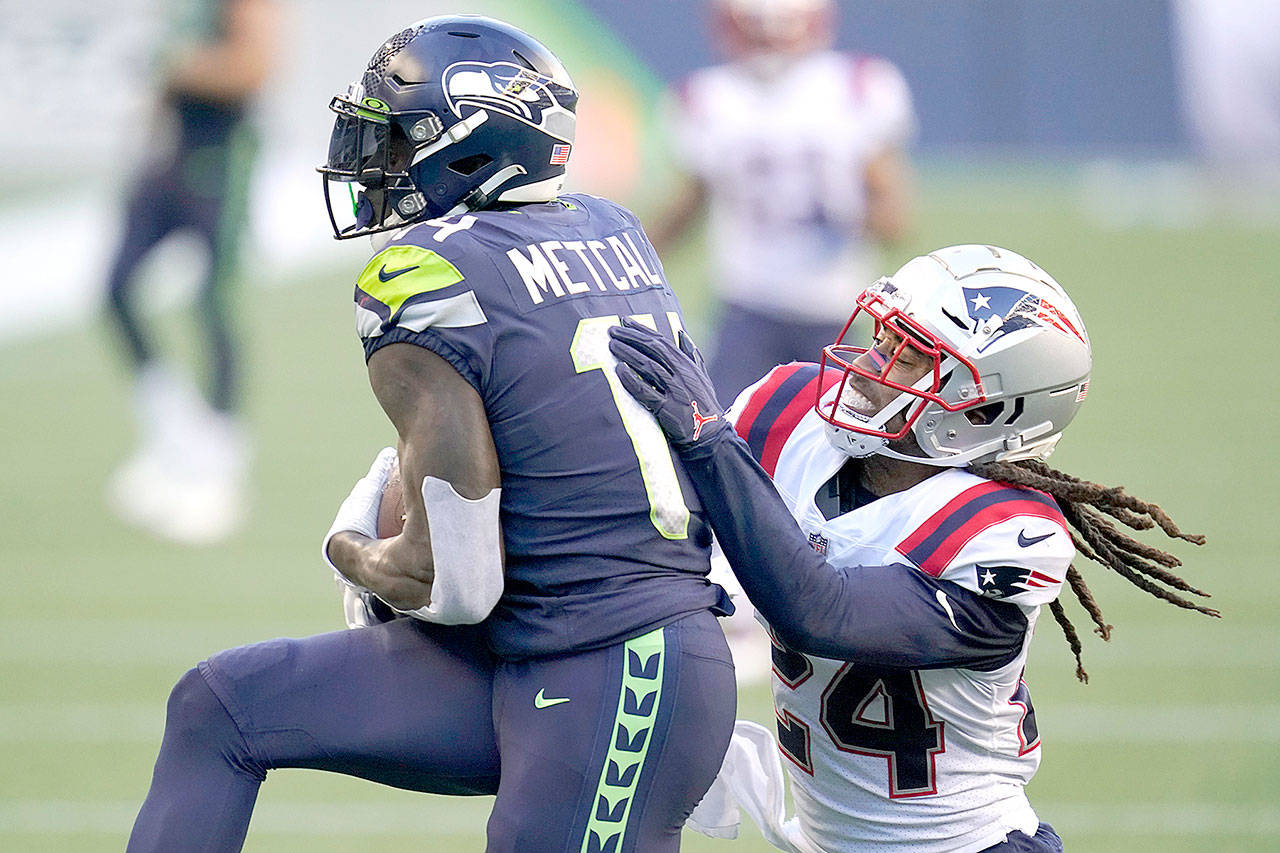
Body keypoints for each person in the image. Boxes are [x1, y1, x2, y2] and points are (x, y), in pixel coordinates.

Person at [126, 16, 738, 852]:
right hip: (545, 643)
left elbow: (456, 583)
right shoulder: (610, 225)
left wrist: (353, 548)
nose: (374, 161)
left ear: (469, 146)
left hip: (617, 663)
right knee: (221, 704)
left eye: (396, 137)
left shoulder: (425, 277)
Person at [607, 245, 1217, 852]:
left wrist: (710, 443)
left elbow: (820, 613)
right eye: (885, 337)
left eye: (911, 357)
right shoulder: (787, 414)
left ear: (989, 409)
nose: (872, 363)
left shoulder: (1004, 534)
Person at [648, 0, 915, 402]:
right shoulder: (857, 84)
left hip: (816, 308)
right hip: (769, 304)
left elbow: (892, 218)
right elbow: (894, 219)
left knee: (732, 431)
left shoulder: (704, 96)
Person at [105, 0, 279, 544]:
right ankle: (174, 440)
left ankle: (221, 470)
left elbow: (254, 68)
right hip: (173, 151)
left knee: (211, 302)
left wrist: (179, 64)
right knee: (115, 291)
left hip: (222, 151)